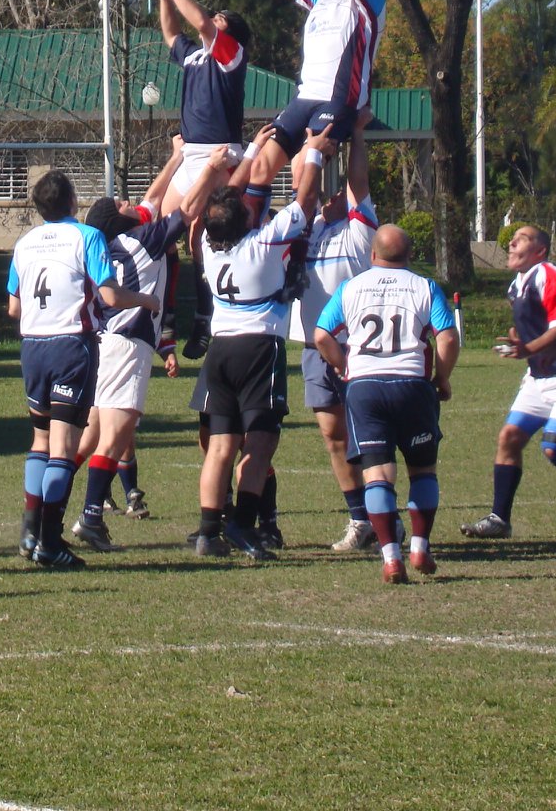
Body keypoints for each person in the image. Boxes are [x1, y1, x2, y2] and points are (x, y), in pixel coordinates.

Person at [7, 169, 162, 569]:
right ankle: (50, 542)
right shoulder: (87, 237)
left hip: (32, 349)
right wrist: (145, 300)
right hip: (70, 348)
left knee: (40, 442)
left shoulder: (23, 244)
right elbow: (109, 293)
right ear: (73, 201)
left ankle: (29, 530)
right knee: (63, 446)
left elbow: (14, 307)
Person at [193, 126, 333, 561]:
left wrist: (253, 151)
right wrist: (312, 155)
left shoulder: (207, 244)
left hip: (220, 352)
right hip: (258, 349)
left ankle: (207, 531)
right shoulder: (265, 244)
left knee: (219, 446)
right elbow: (305, 201)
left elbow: (222, 205)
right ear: (248, 219)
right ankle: (242, 525)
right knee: (260, 444)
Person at [312, 223, 459, 584]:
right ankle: (421, 546)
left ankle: (391, 557)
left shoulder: (351, 287)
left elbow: (321, 335)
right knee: (423, 470)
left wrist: (343, 365)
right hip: (412, 385)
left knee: (377, 474)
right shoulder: (425, 286)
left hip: (366, 388)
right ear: (409, 256)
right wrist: (442, 376)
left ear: (372, 255)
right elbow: (448, 337)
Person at [229, 0, 385, 223]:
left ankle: (304, 246)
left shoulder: (369, 1)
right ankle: (253, 236)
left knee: (303, 169)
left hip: (339, 100)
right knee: (260, 167)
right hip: (306, 96)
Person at [70, 143, 188, 553]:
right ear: (119, 221)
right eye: (120, 203)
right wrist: (210, 169)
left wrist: (176, 157)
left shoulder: (109, 248)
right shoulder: (140, 242)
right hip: (126, 347)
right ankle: (90, 517)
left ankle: (50, 506)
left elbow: (151, 199)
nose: (128, 202)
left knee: (88, 441)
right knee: (117, 440)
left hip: (105, 346)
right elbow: (181, 211)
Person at [139, 0, 251, 357]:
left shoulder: (230, 56)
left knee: (205, 241)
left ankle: (207, 320)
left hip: (218, 156)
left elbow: (202, 23)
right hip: (189, 155)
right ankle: (165, 323)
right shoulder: (194, 56)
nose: (213, 20)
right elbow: (172, 33)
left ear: (231, 34)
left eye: (221, 19)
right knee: (161, 232)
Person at [290, 118, 379, 552]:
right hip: (314, 349)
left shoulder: (362, 230)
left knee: (370, 438)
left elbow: (358, 181)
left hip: (358, 350)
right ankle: (360, 519)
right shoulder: (309, 233)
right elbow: (301, 188)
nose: (330, 201)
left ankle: (385, 515)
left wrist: (356, 134)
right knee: (333, 437)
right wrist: (314, 146)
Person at [460, 224, 556, 540]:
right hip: (538, 377)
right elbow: (537, 328)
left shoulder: (549, 275)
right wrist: (520, 341)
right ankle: (499, 520)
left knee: (554, 448)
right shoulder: (517, 285)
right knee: (509, 438)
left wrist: (528, 347)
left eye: (522, 239)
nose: (511, 243)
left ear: (540, 250)